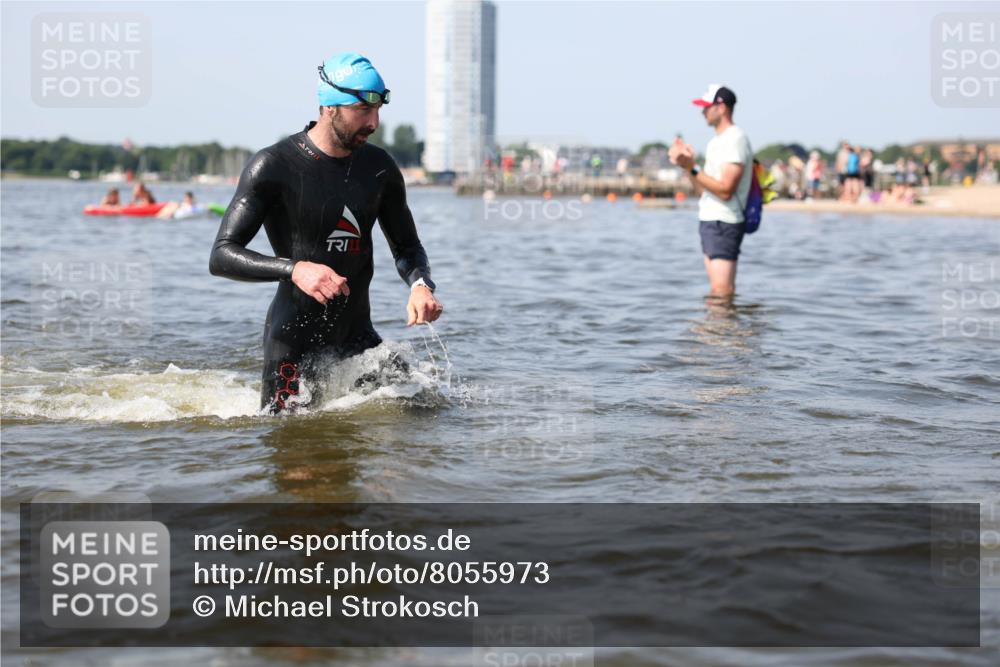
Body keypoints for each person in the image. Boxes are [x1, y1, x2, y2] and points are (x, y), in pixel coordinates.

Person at [210, 52, 442, 414]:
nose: (374, 122)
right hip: (293, 346)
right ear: (329, 106)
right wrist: (295, 269)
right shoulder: (273, 166)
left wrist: (420, 285)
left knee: (423, 417)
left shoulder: (379, 168)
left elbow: (408, 246)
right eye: (363, 111)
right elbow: (222, 254)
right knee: (294, 449)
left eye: (379, 110)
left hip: (358, 340)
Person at [669, 84, 753, 299]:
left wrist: (693, 167)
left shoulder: (735, 138)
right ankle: (719, 332)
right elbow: (702, 189)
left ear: (722, 107)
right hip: (712, 221)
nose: (702, 112)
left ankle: (720, 333)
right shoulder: (716, 142)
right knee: (720, 293)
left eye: (707, 107)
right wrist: (688, 166)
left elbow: (725, 190)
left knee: (720, 293)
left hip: (724, 222)